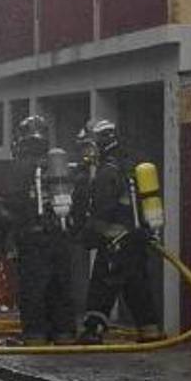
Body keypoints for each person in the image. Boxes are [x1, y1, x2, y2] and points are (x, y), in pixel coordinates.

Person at [75, 120, 163, 344]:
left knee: (102, 285)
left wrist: (88, 234)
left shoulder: (107, 172)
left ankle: (92, 331)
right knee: (136, 284)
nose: (87, 152)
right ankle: (150, 331)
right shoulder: (130, 164)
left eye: (89, 145)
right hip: (137, 237)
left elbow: (103, 209)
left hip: (116, 238)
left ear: (101, 144)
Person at [0, 115, 76, 345]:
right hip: (60, 235)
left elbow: (14, 203)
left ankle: (35, 335)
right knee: (59, 285)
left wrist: (7, 232)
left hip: (33, 237)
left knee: (33, 286)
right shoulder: (55, 163)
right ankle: (64, 334)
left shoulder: (20, 166)